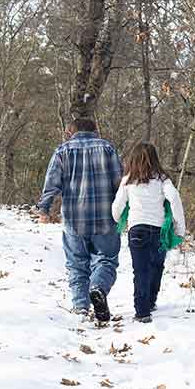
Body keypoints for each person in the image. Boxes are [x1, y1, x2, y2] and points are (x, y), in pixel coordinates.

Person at [37, 119, 123, 323]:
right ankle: (98, 287)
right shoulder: (108, 149)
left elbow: (51, 184)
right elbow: (120, 182)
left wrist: (44, 208)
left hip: (74, 220)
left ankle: (80, 307)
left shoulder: (62, 151)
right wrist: (126, 209)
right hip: (105, 218)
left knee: (76, 264)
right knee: (106, 259)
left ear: (70, 132)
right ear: (96, 130)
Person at [112, 142, 186, 323]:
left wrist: (116, 218)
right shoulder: (162, 179)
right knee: (156, 267)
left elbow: (117, 205)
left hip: (137, 229)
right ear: (155, 159)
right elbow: (174, 198)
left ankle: (142, 311)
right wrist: (179, 227)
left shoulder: (128, 180)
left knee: (141, 270)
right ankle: (151, 300)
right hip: (159, 231)